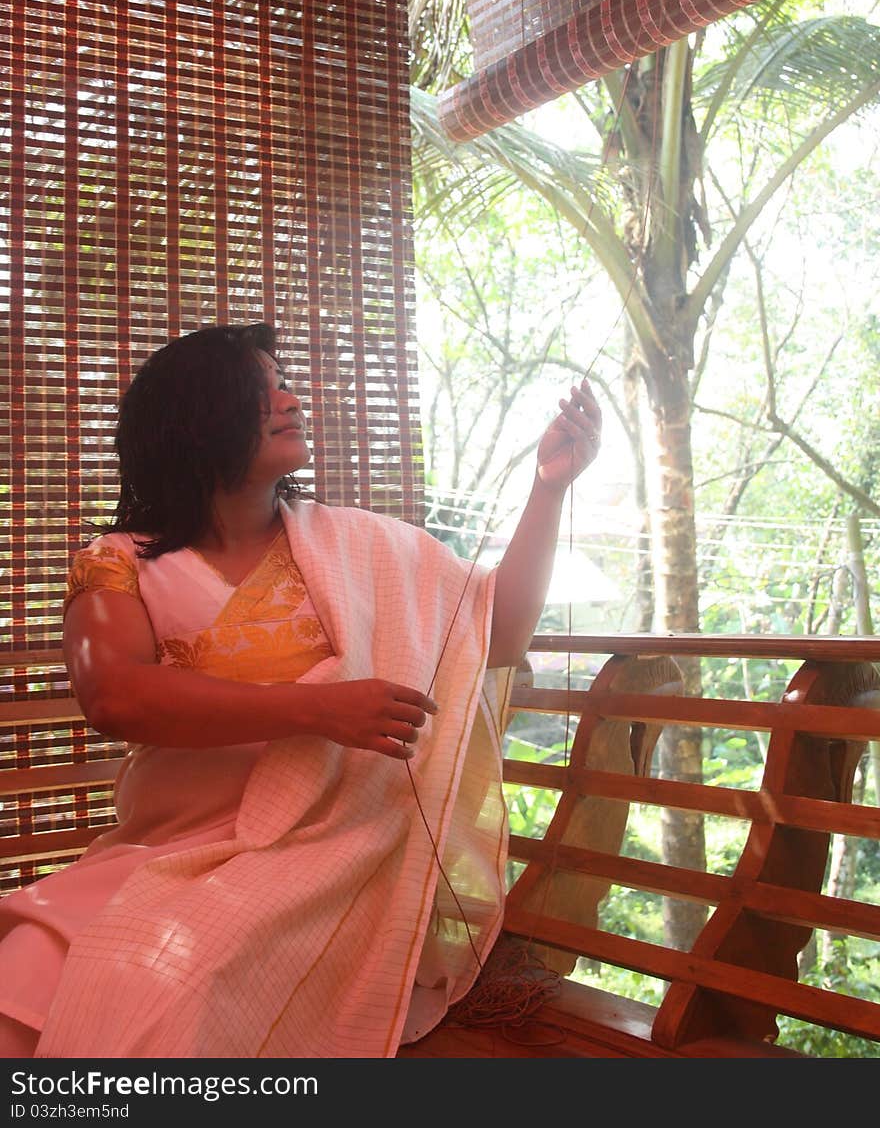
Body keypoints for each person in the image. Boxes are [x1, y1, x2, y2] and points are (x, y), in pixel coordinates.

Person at [0, 322, 601, 1059]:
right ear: (196, 420)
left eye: (283, 384)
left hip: (329, 859)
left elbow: (498, 632)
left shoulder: (358, 548)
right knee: (22, 967)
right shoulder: (118, 563)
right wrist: (316, 709)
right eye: (261, 392)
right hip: (166, 851)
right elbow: (114, 696)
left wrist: (548, 488)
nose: (291, 400)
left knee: (163, 983)